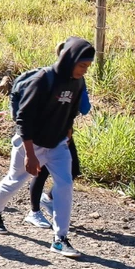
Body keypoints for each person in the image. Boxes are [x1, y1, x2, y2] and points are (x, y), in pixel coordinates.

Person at [0, 37, 95, 258]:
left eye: (87, 66)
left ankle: (60, 238)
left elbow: (71, 111)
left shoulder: (78, 82)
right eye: (82, 65)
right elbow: (23, 118)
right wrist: (30, 155)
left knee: (65, 186)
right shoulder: (44, 79)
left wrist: (67, 133)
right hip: (31, 142)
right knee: (15, 180)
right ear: (70, 59)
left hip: (58, 144)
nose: (85, 70)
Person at [26, 86, 89, 229]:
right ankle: (34, 212)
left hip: (63, 131)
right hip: (44, 132)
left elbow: (84, 108)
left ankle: (48, 199)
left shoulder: (78, 79)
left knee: (73, 169)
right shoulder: (54, 78)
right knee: (41, 171)